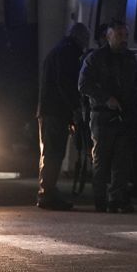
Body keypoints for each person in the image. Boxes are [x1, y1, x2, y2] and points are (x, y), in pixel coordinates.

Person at [78, 21, 137, 213]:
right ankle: (100, 199)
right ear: (108, 37)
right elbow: (83, 84)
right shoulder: (95, 58)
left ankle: (117, 199)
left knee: (121, 161)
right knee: (102, 160)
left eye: (125, 35)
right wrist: (106, 98)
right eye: (119, 35)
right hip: (103, 117)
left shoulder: (129, 58)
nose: (123, 39)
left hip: (124, 116)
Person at [36, 22, 91, 210]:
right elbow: (66, 84)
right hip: (56, 112)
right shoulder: (68, 53)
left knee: (51, 152)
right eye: (86, 38)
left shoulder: (59, 51)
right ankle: (47, 193)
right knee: (54, 153)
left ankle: (47, 191)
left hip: (51, 110)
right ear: (80, 37)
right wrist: (75, 109)